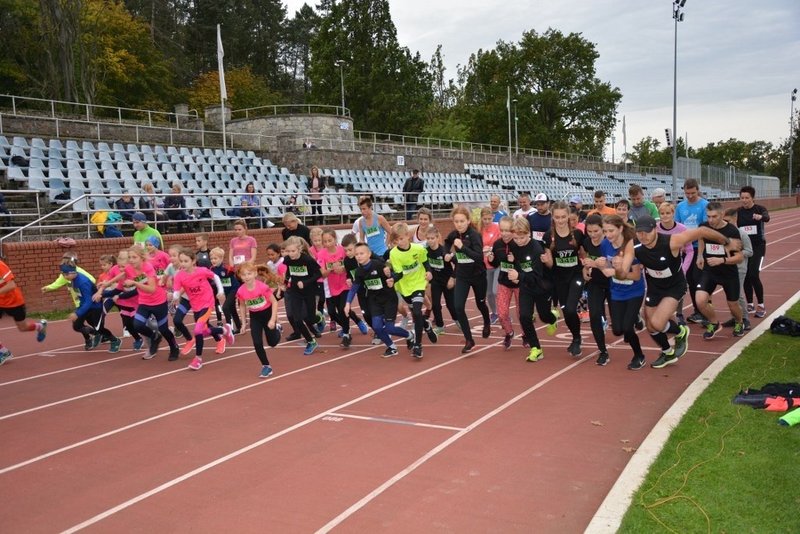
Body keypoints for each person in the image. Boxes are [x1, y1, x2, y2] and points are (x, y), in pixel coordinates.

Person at [633, 214, 732, 368]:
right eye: (639, 232)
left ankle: (681, 331)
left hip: (674, 286)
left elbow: (702, 231)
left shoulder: (673, 241)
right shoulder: (635, 246)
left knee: (657, 323)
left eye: (647, 232)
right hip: (654, 288)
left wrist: (726, 242)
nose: (643, 236)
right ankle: (668, 353)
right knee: (651, 326)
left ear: (655, 229)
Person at [344, 242, 412, 357]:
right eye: (357, 254)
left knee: (390, 328)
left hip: (389, 299)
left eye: (361, 253)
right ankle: (392, 347)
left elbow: (396, 273)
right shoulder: (359, 272)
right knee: (376, 327)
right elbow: (354, 288)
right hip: (375, 300)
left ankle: (410, 335)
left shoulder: (379, 265)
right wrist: (347, 303)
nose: (359, 256)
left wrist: (391, 277)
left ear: (369, 254)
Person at [506, 217, 559, 362]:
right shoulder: (513, 245)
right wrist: (515, 271)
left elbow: (536, 276)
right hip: (526, 286)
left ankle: (553, 317)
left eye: (522, 238)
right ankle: (536, 348)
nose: (518, 241)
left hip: (542, 286)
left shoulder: (536, 249)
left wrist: (519, 276)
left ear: (529, 233)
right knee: (524, 316)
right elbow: (518, 263)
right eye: (515, 238)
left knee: (544, 316)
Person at [598, 215, 645, 370]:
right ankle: (635, 318)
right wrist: (600, 265)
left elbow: (636, 276)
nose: (608, 234)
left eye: (611, 231)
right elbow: (606, 265)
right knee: (617, 330)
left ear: (620, 228)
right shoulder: (605, 244)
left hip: (634, 291)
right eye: (605, 231)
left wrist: (614, 271)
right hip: (616, 291)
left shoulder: (630, 246)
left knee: (627, 328)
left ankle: (639, 355)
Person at [172, 248, 232, 371]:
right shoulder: (179, 276)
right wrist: (174, 297)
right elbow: (177, 291)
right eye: (181, 261)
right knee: (203, 330)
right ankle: (224, 330)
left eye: (186, 261)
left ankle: (198, 359)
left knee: (198, 330)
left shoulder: (201, 271)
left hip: (207, 303)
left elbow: (215, 277)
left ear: (193, 261)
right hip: (195, 306)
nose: (183, 264)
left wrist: (220, 291)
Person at [695, 202, 746, 339]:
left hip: (728, 273)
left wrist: (722, 260)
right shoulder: (704, 227)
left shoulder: (732, 231)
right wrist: (700, 255)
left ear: (722, 214)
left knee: (733, 305)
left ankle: (739, 322)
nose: (710, 220)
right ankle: (713, 323)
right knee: (700, 300)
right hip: (709, 271)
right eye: (708, 216)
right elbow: (701, 238)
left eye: (714, 216)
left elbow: (740, 258)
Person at [445, 205, 491, 353]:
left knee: (480, 303)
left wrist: (462, 248)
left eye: (462, 221)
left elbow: (479, 257)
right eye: (456, 221)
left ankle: (487, 321)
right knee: (458, 306)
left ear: (468, 221)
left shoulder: (474, 235)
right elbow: (446, 242)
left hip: (478, 275)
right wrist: (446, 253)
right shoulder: (454, 235)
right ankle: (469, 339)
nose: (459, 224)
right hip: (462, 276)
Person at [541, 201, 584, 357]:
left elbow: (584, 255)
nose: (560, 220)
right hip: (559, 279)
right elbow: (551, 264)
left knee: (571, 308)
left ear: (568, 216)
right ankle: (575, 337)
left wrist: (587, 267)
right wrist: (546, 261)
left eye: (563, 217)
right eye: (557, 217)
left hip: (576, 276)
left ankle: (577, 339)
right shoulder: (548, 236)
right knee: (567, 312)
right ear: (553, 217)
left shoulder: (577, 234)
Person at [389, 223, 438, 359]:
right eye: (397, 240)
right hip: (404, 287)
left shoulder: (418, 249)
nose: (400, 242)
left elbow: (425, 262)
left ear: (407, 236)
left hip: (418, 283)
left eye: (402, 238)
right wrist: (393, 279)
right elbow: (399, 273)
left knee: (416, 312)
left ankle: (417, 346)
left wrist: (429, 272)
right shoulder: (394, 253)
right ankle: (426, 325)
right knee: (417, 314)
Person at [123, 245, 180, 361]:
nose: (131, 260)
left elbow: (152, 289)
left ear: (141, 258)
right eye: (129, 257)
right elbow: (122, 275)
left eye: (134, 257)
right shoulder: (129, 268)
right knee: (137, 325)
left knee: (163, 329)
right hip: (144, 302)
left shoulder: (148, 267)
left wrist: (135, 283)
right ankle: (154, 336)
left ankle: (174, 347)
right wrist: (107, 284)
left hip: (158, 301)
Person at [61, 259, 120, 352]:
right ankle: (96, 333)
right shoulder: (72, 280)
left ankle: (115, 340)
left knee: (99, 328)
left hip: (95, 306)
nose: (64, 276)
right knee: (77, 325)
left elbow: (89, 301)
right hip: (84, 305)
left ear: (73, 272)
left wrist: (77, 313)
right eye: (63, 274)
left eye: (66, 274)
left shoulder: (83, 282)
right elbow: (82, 296)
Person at [236, 261, 281, 378]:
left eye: (249, 274)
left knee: (272, 343)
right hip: (255, 317)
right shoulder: (241, 291)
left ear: (255, 274)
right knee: (257, 342)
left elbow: (274, 302)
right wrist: (243, 323)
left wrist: (272, 319)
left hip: (267, 314)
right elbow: (242, 306)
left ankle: (277, 329)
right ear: (240, 276)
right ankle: (266, 366)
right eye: (244, 274)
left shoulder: (262, 287)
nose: (247, 277)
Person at [282, 236, 324, 356]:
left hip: (309, 291)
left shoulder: (307, 260)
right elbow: (289, 271)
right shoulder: (287, 259)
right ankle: (311, 342)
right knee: (297, 319)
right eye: (288, 251)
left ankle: (319, 318)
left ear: (299, 249)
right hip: (295, 291)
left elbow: (318, 274)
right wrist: (285, 283)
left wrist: (305, 282)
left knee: (310, 318)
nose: (290, 254)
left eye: (293, 251)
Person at [0, 258, 47, 364]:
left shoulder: (0, 265)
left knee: (23, 327)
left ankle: (40, 326)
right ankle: (3, 352)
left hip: (14, 302)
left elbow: (11, 285)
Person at [675, 178, 708, 324]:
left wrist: (700, 253)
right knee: (689, 280)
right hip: (685, 248)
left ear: (697, 190)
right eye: (687, 193)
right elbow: (677, 226)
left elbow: (704, 229)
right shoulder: (680, 206)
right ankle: (697, 311)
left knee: (699, 279)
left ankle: (704, 310)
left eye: (692, 193)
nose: (689, 196)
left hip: (699, 247)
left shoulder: (704, 205)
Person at [579, 214, 611, 365]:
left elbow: (617, 265)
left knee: (619, 327)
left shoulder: (610, 243)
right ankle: (603, 351)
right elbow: (586, 259)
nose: (593, 235)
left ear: (603, 229)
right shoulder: (586, 242)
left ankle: (634, 319)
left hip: (612, 283)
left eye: (596, 231)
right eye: (589, 231)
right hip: (595, 283)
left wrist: (599, 264)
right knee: (594, 316)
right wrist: (585, 269)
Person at [656, 202, 694, 325]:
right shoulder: (655, 228)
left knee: (678, 290)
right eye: (662, 213)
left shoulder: (682, 229)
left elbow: (690, 251)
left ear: (673, 213)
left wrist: (684, 268)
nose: (665, 216)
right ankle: (664, 316)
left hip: (677, 266)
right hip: (659, 266)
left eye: (668, 213)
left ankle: (679, 313)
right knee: (661, 292)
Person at [736, 185, 770, 318]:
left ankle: (761, 305)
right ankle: (749, 303)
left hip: (758, 247)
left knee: (754, 274)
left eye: (747, 198)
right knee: (745, 275)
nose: (744, 200)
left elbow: (767, 217)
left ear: (753, 198)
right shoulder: (738, 211)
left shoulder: (759, 209)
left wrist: (760, 217)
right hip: (744, 247)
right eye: (742, 198)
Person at [486, 216, 518, 349]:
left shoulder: (518, 243)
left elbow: (526, 264)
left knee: (522, 314)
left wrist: (515, 261)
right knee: (502, 313)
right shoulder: (497, 244)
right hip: (504, 282)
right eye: (502, 230)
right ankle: (509, 333)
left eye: (508, 230)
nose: (504, 233)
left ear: (513, 230)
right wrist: (491, 259)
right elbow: (495, 263)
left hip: (519, 283)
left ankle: (526, 335)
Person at [317, 229, 353, 347]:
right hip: (332, 287)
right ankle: (346, 328)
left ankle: (346, 335)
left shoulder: (342, 250)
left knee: (342, 308)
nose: (327, 244)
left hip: (345, 284)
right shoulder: (321, 254)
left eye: (330, 240)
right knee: (334, 311)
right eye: (325, 241)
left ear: (335, 239)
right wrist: (330, 269)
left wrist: (343, 269)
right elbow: (322, 274)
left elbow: (351, 264)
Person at [724, 208, 753, 331]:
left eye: (728, 221)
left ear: (735, 219)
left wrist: (737, 253)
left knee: (738, 294)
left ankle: (745, 318)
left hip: (739, 268)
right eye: (724, 221)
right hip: (727, 268)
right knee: (730, 294)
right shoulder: (722, 235)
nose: (726, 224)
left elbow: (750, 251)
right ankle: (735, 317)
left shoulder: (742, 234)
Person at [425, 226, 457, 336]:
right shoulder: (426, 252)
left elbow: (457, 263)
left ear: (437, 238)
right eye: (428, 238)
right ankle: (440, 326)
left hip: (447, 281)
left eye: (432, 238)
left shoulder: (443, 251)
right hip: (435, 282)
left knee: (451, 305)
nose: (430, 241)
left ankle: (457, 319)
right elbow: (425, 264)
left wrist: (453, 278)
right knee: (435, 304)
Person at [210, 247, 242, 335]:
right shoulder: (212, 269)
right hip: (226, 291)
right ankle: (239, 327)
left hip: (234, 289)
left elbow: (237, 273)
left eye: (215, 258)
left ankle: (230, 328)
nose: (213, 260)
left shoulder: (227, 268)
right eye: (211, 258)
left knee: (225, 307)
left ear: (221, 258)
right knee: (232, 309)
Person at [479, 207, 501, 324]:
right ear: (481, 218)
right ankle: (494, 313)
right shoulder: (479, 230)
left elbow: (501, 244)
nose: (487, 221)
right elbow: (476, 246)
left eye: (489, 218)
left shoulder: (497, 228)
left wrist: (491, 248)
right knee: (489, 293)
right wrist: (482, 250)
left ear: (493, 217)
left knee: (496, 291)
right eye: (485, 219)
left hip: (497, 263)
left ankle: (502, 311)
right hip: (485, 265)